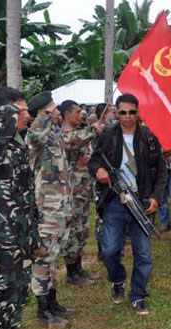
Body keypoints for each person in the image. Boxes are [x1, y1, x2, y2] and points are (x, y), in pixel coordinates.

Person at [0, 87, 49, 329]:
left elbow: (25, 199)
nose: (28, 116)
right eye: (22, 110)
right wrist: (8, 111)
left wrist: (34, 239)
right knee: (0, 295)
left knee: (17, 293)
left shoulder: (16, 145)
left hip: (19, 236)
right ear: (4, 113)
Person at [88, 93, 168, 315]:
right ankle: (117, 279)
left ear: (138, 112)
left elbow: (162, 172)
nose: (128, 116)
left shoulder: (149, 138)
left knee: (143, 254)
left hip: (141, 203)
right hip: (115, 201)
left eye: (132, 112)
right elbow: (94, 160)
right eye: (123, 112)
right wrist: (98, 171)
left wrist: (156, 197)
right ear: (116, 112)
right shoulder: (108, 136)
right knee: (109, 250)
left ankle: (138, 294)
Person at [25, 91, 74, 328]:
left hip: (61, 208)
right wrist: (43, 117)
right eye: (52, 109)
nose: (57, 112)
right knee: (43, 258)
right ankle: (42, 311)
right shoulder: (36, 134)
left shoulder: (53, 134)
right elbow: (35, 136)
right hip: (47, 210)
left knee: (54, 257)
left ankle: (52, 303)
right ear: (42, 112)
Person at [59, 100, 101, 286]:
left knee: (82, 229)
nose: (81, 114)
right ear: (67, 114)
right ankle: (71, 272)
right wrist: (94, 129)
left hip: (82, 190)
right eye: (77, 112)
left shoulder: (78, 132)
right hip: (72, 192)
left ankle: (78, 268)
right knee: (74, 230)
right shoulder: (64, 134)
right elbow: (73, 142)